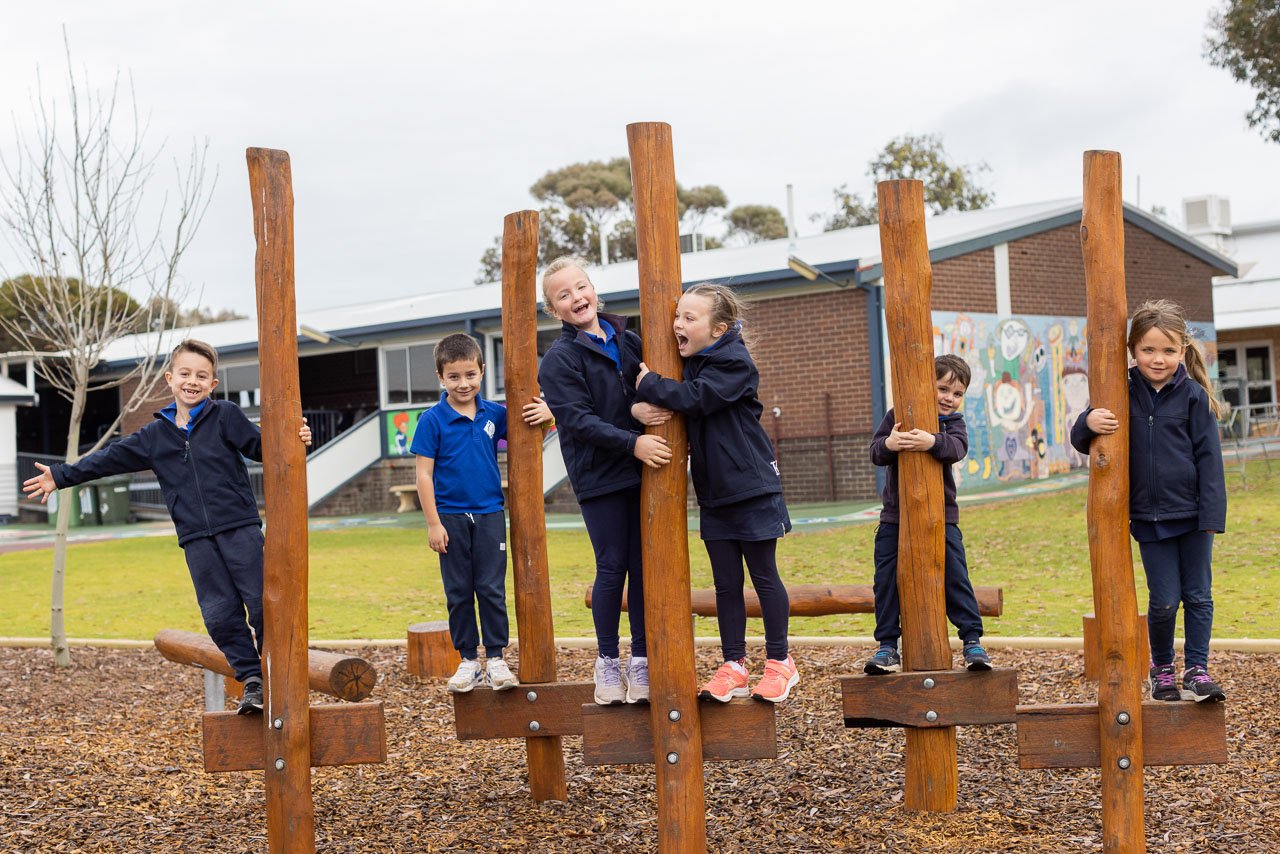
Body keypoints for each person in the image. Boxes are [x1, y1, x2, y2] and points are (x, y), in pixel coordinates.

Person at [23, 339, 311, 715]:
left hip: (238, 528)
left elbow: (267, 448)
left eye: (202, 376)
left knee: (261, 604)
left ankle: (280, 675)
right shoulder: (153, 436)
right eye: (186, 374)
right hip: (196, 541)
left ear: (212, 384)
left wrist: (297, 437)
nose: (193, 381)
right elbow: (108, 459)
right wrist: (60, 476)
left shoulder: (224, 415)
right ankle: (252, 681)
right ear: (170, 378)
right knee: (220, 615)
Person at [633, 283, 800, 704]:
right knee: (726, 584)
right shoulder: (696, 361)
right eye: (678, 316)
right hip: (715, 494)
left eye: (690, 318)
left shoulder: (733, 362)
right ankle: (735, 665)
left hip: (752, 487)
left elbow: (695, 399)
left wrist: (648, 383)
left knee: (762, 575)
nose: (678, 325)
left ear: (719, 328)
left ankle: (780, 662)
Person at [1070, 299, 1227, 702]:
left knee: (1198, 595)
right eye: (1148, 350)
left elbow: (1210, 461)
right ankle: (1161, 669)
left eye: (1169, 350)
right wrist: (1088, 422)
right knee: (1163, 600)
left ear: (1183, 352)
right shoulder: (1119, 390)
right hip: (1149, 518)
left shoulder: (1193, 397)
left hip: (1193, 517)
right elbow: (1080, 439)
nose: (1159, 359)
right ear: (1132, 350)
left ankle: (1197, 669)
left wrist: (1211, 515)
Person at [537, 256, 673, 705]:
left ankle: (642, 661)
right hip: (601, 474)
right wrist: (633, 439)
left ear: (594, 289)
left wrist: (636, 409)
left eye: (581, 287)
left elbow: (636, 390)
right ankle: (607, 664)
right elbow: (577, 419)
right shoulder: (559, 359)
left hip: (643, 471)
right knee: (613, 564)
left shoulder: (628, 339)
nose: (577, 297)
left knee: (644, 565)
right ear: (554, 311)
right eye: (564, 295)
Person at [412, 333, 551, 694]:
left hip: (490, 514)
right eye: (454, 377)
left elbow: (533, 429)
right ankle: (468, 662)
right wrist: (433, 523)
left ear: (482, 371)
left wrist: (550, 414)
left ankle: (496, 658)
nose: (464, 383)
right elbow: (423, 474)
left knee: (491, 588)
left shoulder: (494, 414)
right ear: (441, 378)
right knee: (458, 591)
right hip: (451, 519)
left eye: (470, 375)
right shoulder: (432, 420)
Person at [864, 354, 991, 675]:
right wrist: (891, 442)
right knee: (886, 580)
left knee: (956, 577)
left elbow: (957, 449)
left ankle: (972, 641)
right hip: (895, 517)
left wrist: (931, 440)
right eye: (943, 389)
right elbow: (875, 451)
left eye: (957, 393)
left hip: (942, 517)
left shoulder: (953, 424)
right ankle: (887, 647)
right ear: (925, 386)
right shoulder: (899, 415)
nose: (949, 398)